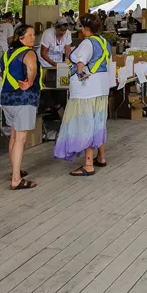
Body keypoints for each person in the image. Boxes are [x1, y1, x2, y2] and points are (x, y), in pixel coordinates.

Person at [54, 13, 111, 176]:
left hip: (86, 90)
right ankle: (100, 157)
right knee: (99, 122)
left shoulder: (87, 43)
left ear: (86, 29)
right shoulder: (104, 42)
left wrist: (79, 74)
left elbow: (80, 61)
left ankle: (88, 164)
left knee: (86, 124)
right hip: (101, 87)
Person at [0, 23, 42, 190]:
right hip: (23, 99)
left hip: (6, 98)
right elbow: (32, 68)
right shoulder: (28, 52)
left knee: (14, 136)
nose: (33, 38)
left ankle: (14, 171)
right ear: (20, 37)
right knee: (21, 138)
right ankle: (16, 179)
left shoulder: (8, 53)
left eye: (33, 35)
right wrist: (30, 83)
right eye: (30, 35)